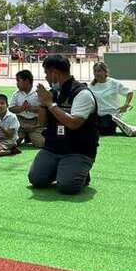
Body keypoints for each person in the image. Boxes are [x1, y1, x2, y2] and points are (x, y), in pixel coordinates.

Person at [28, 54, 99, 195]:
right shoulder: (52, 93)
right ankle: (65, 169)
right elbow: (42, 123)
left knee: (68, 186)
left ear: (54, 73)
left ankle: (79, 172)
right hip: (53, 147)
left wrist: (50, 104)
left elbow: (73, 123)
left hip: (78, 149)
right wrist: (43, 104)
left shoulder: (82, 93)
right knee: (36, 179)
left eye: (46, 73)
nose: (46, 77)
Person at [89, 62, 136, 137]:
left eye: (99, 71)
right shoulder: (91, 85)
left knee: (103, 130)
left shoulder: (114, 83)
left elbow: (129, 92)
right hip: (97, 116)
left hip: (112, 116)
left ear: (105, 72)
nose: (97, 73)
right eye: (95, 71)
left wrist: (126, 104)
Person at [10, 70, 44, 149]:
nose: (17, 83)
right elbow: (11, 108)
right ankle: (26, 135)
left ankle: (28, 135)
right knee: (13, 143)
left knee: (41, 143)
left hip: (35, 123)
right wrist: (21, 108)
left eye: (18, 81)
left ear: (27, 81)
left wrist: (32, 109)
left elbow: (45, 108)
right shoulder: (16, 94)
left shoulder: (38, 92)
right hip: (20, 122)